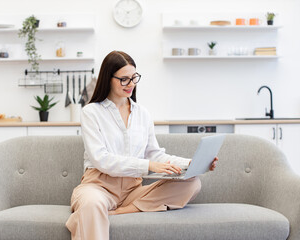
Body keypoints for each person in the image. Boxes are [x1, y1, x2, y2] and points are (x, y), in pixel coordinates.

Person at [65, 50, 218, 240]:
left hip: (133, 190)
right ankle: (98, 211)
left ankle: (123, 210)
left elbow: (155, 154)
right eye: (124, 79)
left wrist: (193, 163)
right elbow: (101, 160)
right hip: (99, 187)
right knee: (91, 203)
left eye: (134, 77)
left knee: (192, 183)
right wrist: (148, 166)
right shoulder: (91, 112)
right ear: (108, 79)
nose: (131, 84)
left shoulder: (142, 113)